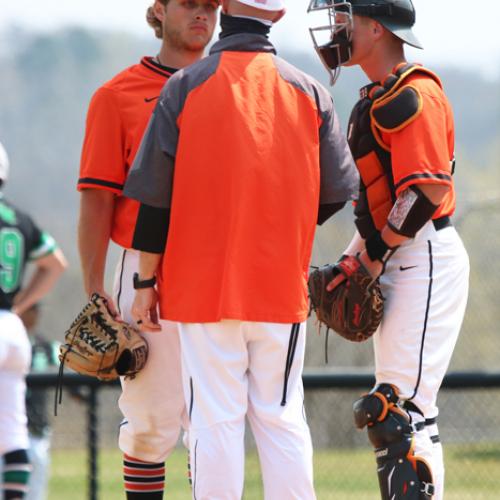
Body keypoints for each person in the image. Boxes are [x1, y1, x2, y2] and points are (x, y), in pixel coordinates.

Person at [123, 0, 359, 498]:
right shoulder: (310, 90)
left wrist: (144, 284)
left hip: (201, 292)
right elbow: (339, 190)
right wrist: (285, 222)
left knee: (214, 420)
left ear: (225, 7)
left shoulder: (184, 86)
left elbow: (154, 205)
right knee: (280, 416)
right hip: (279, 287)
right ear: (277, 16)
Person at [308, 1, 470, 499]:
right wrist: (354, 259)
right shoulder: (378, 97)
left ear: (376, 28)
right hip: (403, 252)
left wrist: (373, 258)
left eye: (346, 18)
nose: (336, 28)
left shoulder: (414, 94)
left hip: (425, 254)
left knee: (399, 412)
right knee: (393, 412)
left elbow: (425, 193)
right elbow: (382, 207)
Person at [76, 1, 219, 498]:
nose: (202, 13)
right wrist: (94, 288)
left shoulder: (233, 85)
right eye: (189, 3)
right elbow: (97, 200)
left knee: (215, 422)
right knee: (148, 423)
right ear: (158, 10)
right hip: (142, 268)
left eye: (211, 4)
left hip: (221, 266)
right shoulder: (116, 95)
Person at [0, 141, 67, 500]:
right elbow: (56, 263)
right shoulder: (19, 219)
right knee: (12, 434)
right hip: (11, 330)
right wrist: (20, 302)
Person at [19, 304, 59, 500]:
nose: (33, 314)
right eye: (29, 309)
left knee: (35, 491)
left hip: (36, 429)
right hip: (9, 429)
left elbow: (65, 367)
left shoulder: (45, 346)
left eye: (35, 309)